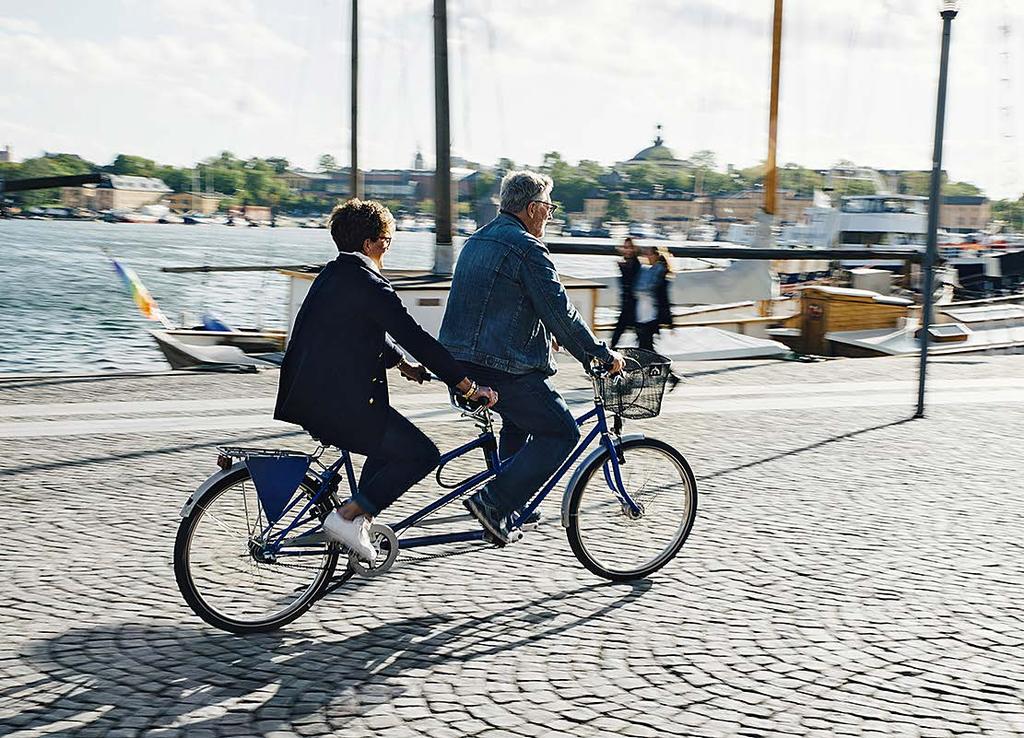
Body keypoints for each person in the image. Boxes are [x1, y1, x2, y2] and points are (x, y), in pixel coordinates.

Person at [274, 199, 497, 564]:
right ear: (370, 244)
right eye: (387, 240)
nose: (388, 248)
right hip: (340, 403)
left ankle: (358, 522)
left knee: (385, 447)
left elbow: (363, 328)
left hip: (308, 395)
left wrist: (400, 364)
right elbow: (417, 338)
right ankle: (346, 516)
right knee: (422, 453)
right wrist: (467, 386)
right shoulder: (370, 284)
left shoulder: (332, 274)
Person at [438, 170, 625, 544]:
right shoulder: (526, 247)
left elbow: (498, 303)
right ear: (533, 208)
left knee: (518, 423)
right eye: (549, 208)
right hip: (501, 367)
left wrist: (542, 334)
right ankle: (494, 502)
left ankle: (514, 504)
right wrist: (599, 355)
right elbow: (562, 311)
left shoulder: (476, 241)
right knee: (561, 431)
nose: (551, 217)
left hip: (460, 364)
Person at [633, 244, 674, 351]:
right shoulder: (648, 271)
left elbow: (663, 298)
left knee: (646, 349)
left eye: (649, 254)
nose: (647, 257)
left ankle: (665, 367)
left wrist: (670, 322)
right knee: (645, 348)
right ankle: (662, 367)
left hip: (650, 316)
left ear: (656, 255)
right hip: (642, 315)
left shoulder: (659, 274)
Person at [610, 237, 640, 349]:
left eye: (629, 247)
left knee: (644, 342)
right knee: (616, 337)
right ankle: (608, 360)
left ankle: (608, 360)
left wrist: (622, 268)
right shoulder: (627, 263)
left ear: (634, 249)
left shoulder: (635, 264)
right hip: (627, 307)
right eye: (625, 247)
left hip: (635, 309)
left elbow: (631, 283)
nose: (627, 250)